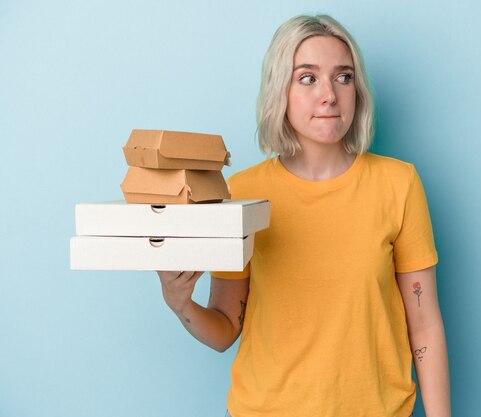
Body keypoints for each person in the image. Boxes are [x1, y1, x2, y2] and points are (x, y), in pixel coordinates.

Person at [157, 14, 451, 417]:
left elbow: (425, 326)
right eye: (308, 78)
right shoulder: (241, 194)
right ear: (281, 90)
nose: (329, 94)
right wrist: (180, 304)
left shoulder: (398, 184)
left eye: (343, 77)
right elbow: (225, 329)